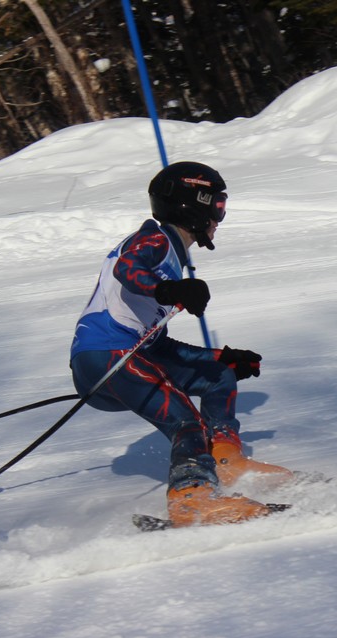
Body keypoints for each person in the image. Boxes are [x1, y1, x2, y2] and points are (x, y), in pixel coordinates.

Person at [69, 161, 292, 527]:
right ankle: (191, 497)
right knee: (186, 421)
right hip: (107, 356)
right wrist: (170, 290)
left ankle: (228, 464)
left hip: (133, 355)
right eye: (217, 204)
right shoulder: (154, 238)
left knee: (217, 376)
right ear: (195, 201)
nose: (221, 215)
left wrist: (221, 357)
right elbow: (127, 268)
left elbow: (156, 345)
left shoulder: (171, 254)